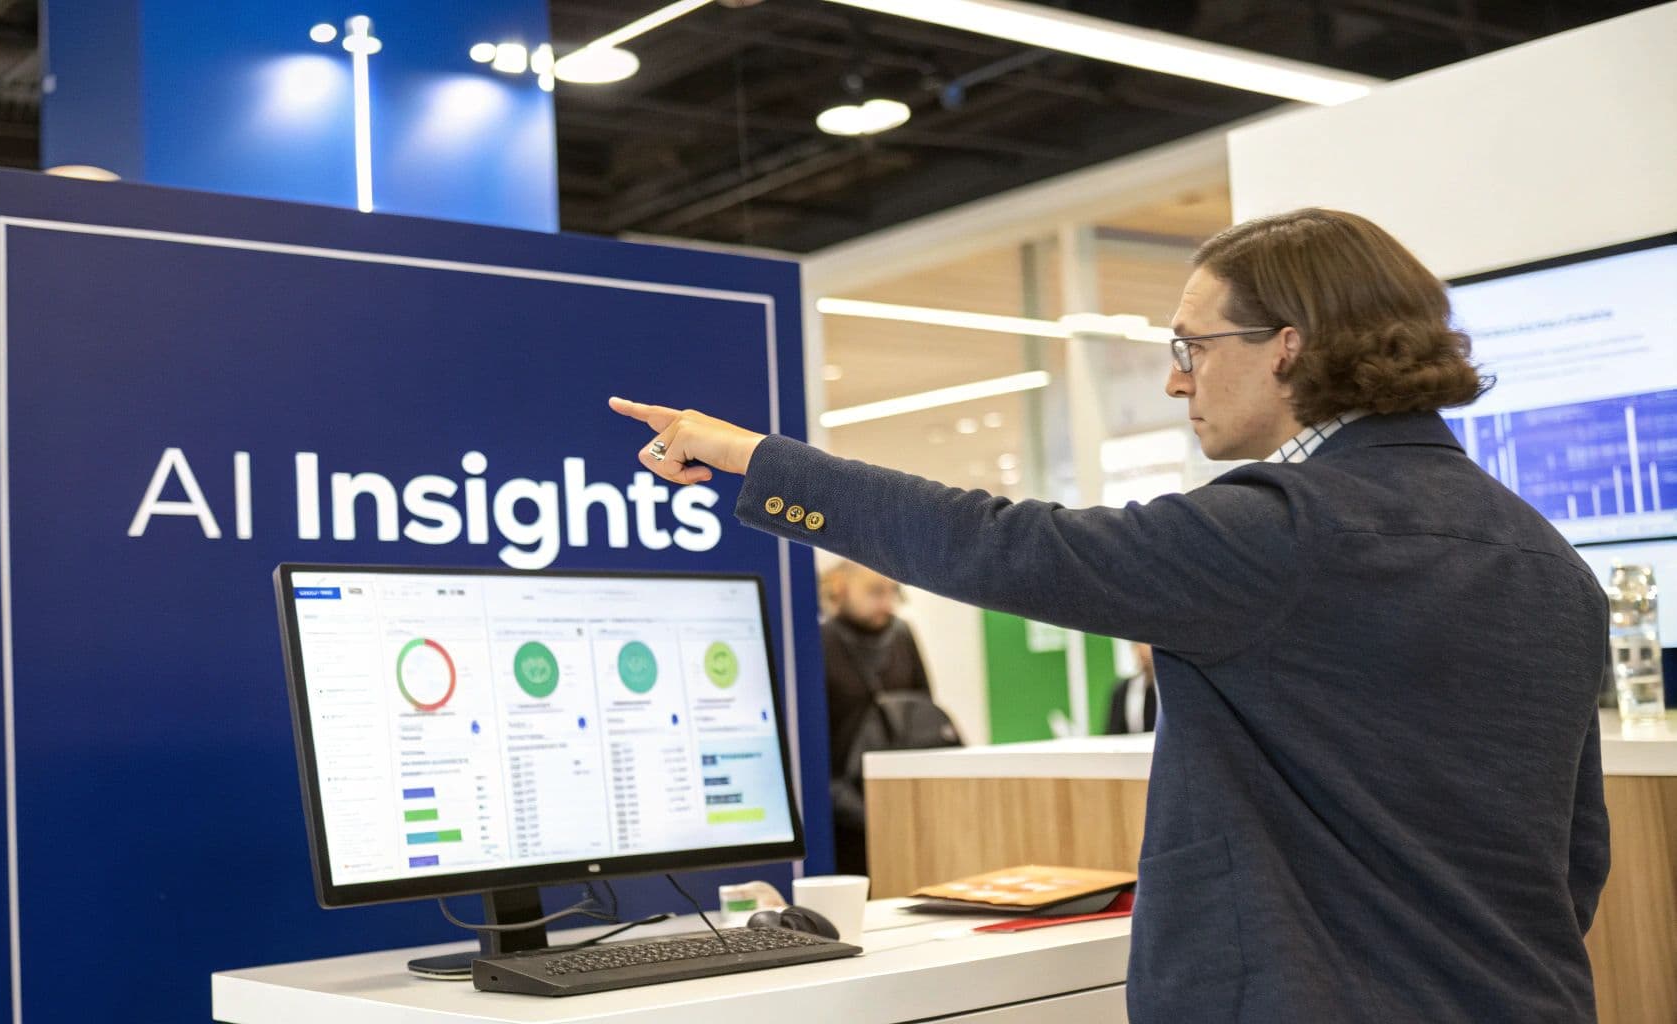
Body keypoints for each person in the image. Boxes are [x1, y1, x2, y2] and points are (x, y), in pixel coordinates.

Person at [609, 207, 1609, 1023]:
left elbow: (1001, 543)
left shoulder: (1280, 533)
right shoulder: (1547, 560)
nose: (1175, 379)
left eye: (1191, 346)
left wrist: (751, 455)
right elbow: (1572, 855)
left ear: (1285, 348)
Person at [818, 561, 937, 875]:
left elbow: (925, 713)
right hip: (844, 816)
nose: (886, 602)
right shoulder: (822, 642)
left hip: (906, 806)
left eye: (892, 591)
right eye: (874, 591)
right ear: (841, 589)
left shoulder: (902, 635)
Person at [1105, 641, 1158, 735]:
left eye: (1148, 645)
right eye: (1138, 645)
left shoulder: (1171, 690)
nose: (1143, 651)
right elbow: (1113, 730)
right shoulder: (1123, 689)